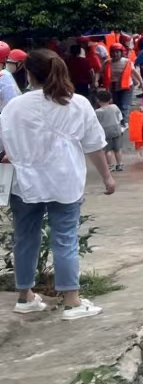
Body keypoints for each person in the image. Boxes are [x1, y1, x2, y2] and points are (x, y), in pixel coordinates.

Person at [3, 49, 115, 319]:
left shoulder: (15, 106)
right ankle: (72, 302)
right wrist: (107, 177)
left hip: (24, 183)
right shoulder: (77, 104)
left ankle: (25, 297)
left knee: (25, 238)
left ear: (29, 73)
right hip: (64, 181)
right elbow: (94, 145)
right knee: (64, 239)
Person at [93, 88, 125, 173]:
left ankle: (110, 165)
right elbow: (120, 118)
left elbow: (96, 123)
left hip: (105, 132)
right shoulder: (114, 107)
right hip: (117, 129)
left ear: (97, 100)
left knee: (108, 150)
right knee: (118, 149)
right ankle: (120, 164)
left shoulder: (97, 112)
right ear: (110, 99)